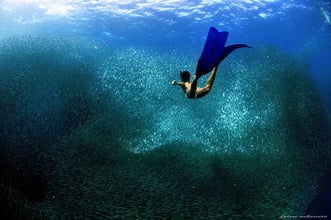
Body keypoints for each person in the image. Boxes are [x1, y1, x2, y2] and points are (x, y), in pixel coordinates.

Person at [171, 26, 250, 99]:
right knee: (193, 86)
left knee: (207, 88)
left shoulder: (188, 82)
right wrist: (176, 83)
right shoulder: (184, 83)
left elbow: (185, 84)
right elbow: (181, 84)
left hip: (195, 94)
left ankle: (215, 67)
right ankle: (198, 76)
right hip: (190, 94)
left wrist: (176, 83)